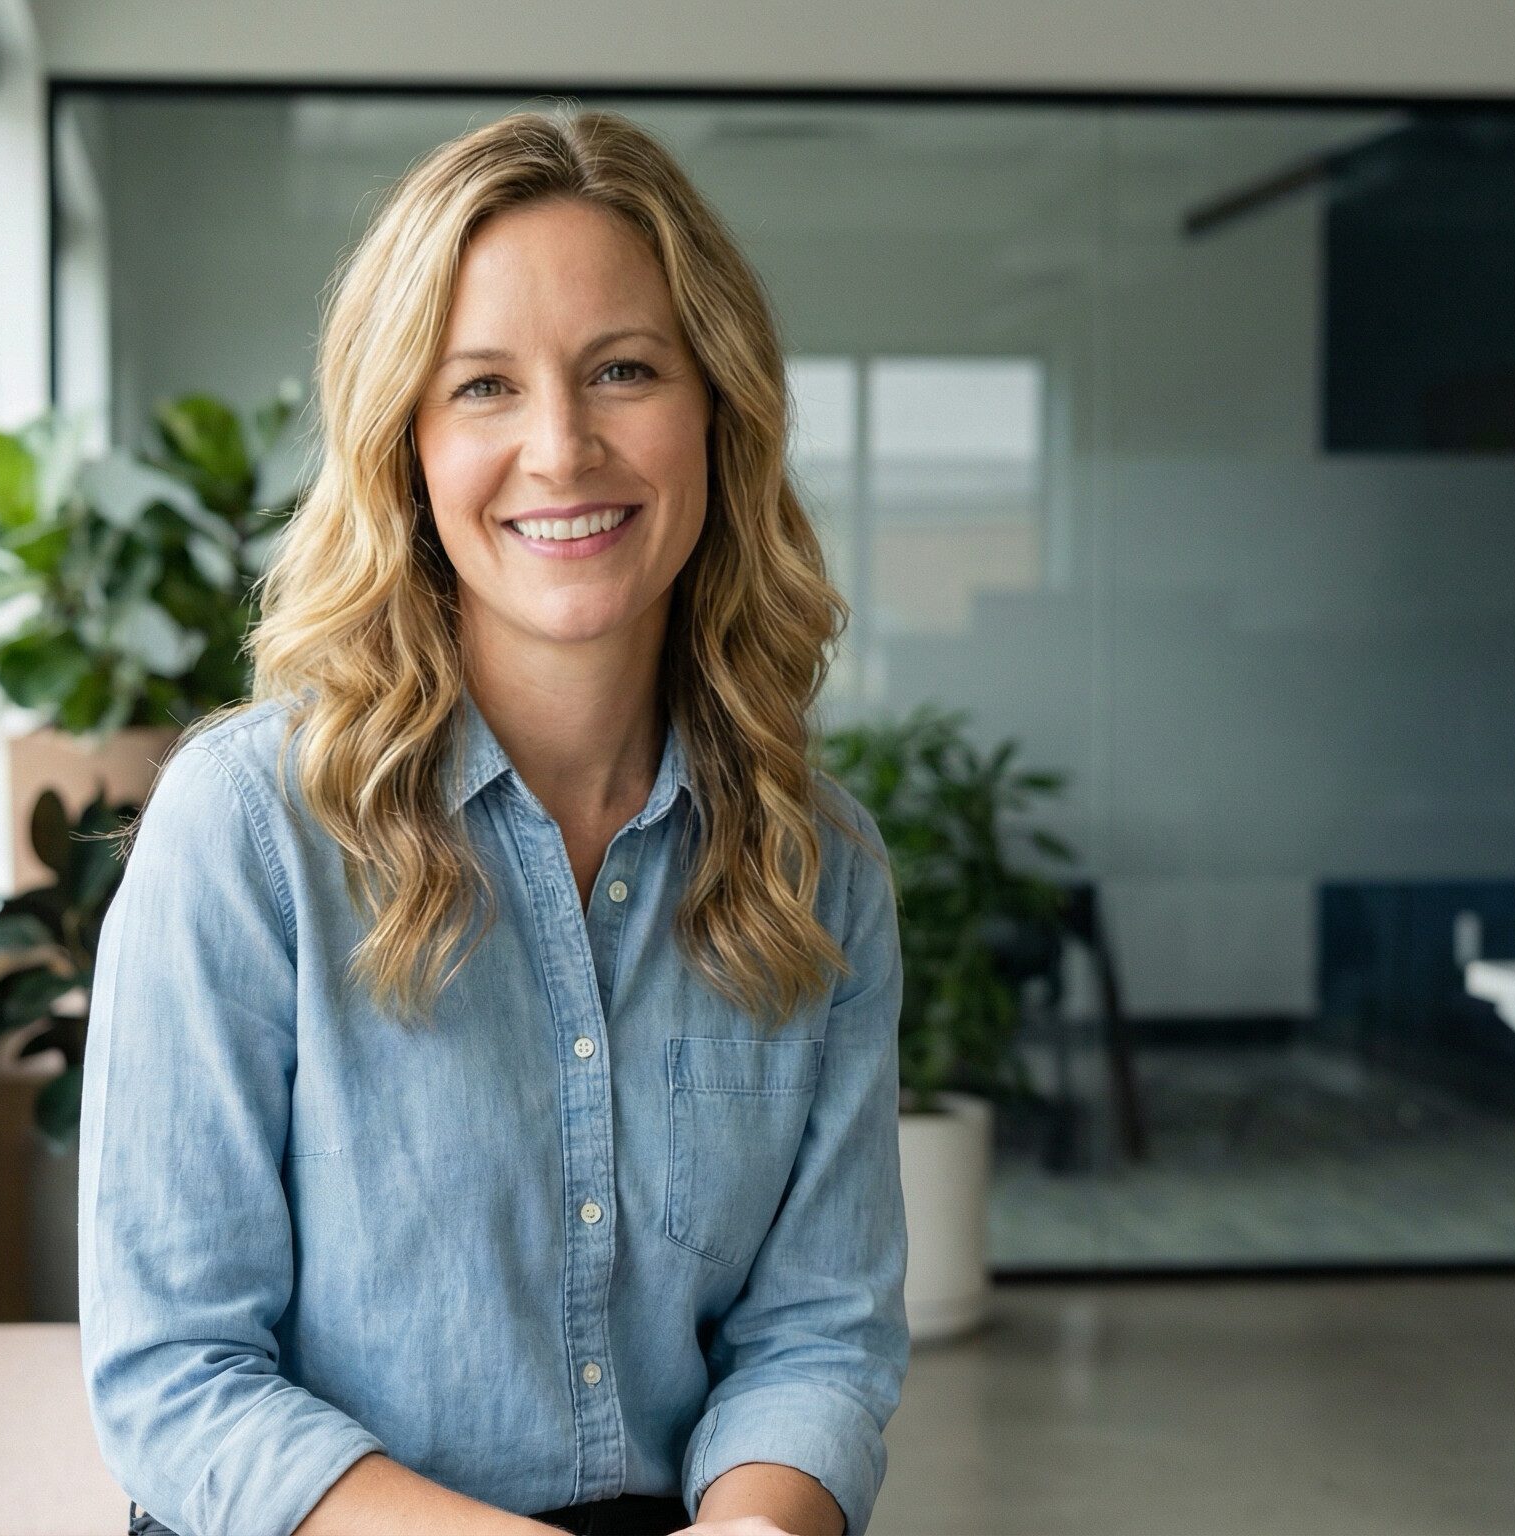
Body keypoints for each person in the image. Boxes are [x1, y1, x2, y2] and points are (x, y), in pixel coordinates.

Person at [77, 106, 908, 1536]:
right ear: (404, 445)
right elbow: (178, 1373)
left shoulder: (815, 865)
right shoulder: (247, 831)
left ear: (721, 409)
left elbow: (818, 1336)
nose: (562, 446)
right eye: (482, 388)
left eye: (625, 371)